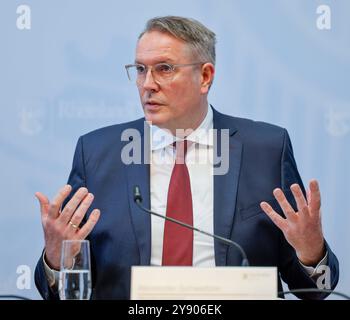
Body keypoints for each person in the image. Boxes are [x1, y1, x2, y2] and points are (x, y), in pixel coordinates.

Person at [34, 16, 339, 300]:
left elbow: (317, 291)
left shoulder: (267, 150)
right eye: (140, 69)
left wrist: (311, 252)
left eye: (164, 68)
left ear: (205, 76)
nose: (148, 84)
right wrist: (57, 257)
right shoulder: (97, 153)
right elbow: (56, 292)